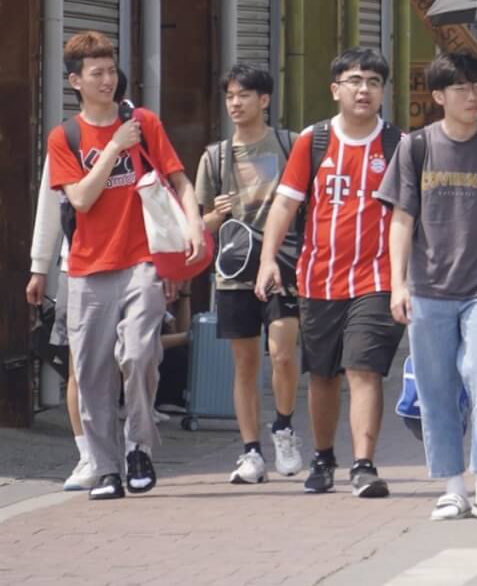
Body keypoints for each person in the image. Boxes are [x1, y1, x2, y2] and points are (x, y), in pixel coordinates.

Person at [48, 31, 205, 500]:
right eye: (96, 73)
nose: (107, 80)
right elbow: (80, 197)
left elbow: (180, 180)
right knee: (93, 372)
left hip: (142, 260)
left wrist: (194, 226)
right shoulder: (66, 137)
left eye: (111, 70)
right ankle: (107, 467)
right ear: (76, 81)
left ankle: (139, 446)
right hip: (87, 269)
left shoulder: (145, 122)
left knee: (138, 355)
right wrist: (115, 147)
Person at [379, 52, 477, 522]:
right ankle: (451, 486)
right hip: (427, 288)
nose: (473, 96)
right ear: (439, 96)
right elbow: (401, 219)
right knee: (436, 386)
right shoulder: (416, 147)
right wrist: (396, 284)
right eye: (461, 88)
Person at [254, 48, 405, 497]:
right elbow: (285, 202)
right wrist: (267, 260)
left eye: (374, 81)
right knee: (322, 374)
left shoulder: (399, 145)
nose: (364, 89)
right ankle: (323, 458)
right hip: (319, 277)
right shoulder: (313, 140)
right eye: (355, 80)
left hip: (377, 278)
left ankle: (364, 464)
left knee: (363, 368)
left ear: (383, 91)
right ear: (335, 88)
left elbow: (411, 215)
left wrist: (407, 278)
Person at [195, 65, 303, 484]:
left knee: (282, 352)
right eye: (230, 97)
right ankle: (250, 452)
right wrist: (215, 215)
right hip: (235, 270)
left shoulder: (288, 145)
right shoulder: (215, 156)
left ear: (265, 99)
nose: (235, 104)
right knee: (244, 364)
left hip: (283, 264)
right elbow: (200, 224)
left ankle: (284, 429)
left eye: (244, 95)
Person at [26, 68, 129, 492]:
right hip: (78, 266)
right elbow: (52, 206)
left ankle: (122, 447)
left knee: (129, 359)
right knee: (79, 366)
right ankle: (88, 455)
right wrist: (39, 265)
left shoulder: (137, 137)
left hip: (132, 264)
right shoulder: (68, 140)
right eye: (99, 82)